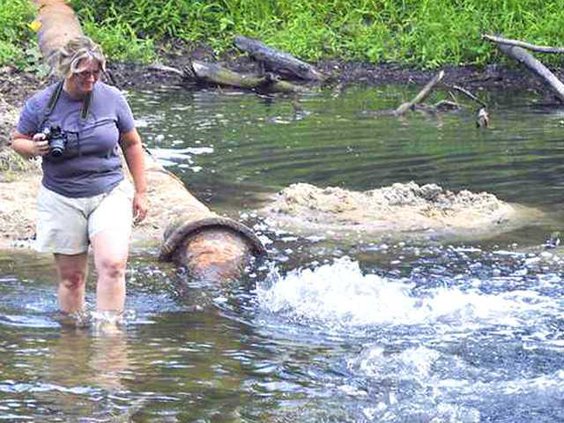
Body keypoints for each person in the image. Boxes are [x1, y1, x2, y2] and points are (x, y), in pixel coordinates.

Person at [10, 36, 147, 318]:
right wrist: (35, 148)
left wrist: (141, 191)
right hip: (61, 196)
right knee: (72, 279)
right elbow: (17, 141)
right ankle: (72, 338)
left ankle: (110, 335)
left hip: (109, 191)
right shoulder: (41, 104)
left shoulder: (112, 98)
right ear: (67, 71)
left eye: (96, 72)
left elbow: (132, 143)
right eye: (84, 73)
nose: (91, 80)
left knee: (112, 265)